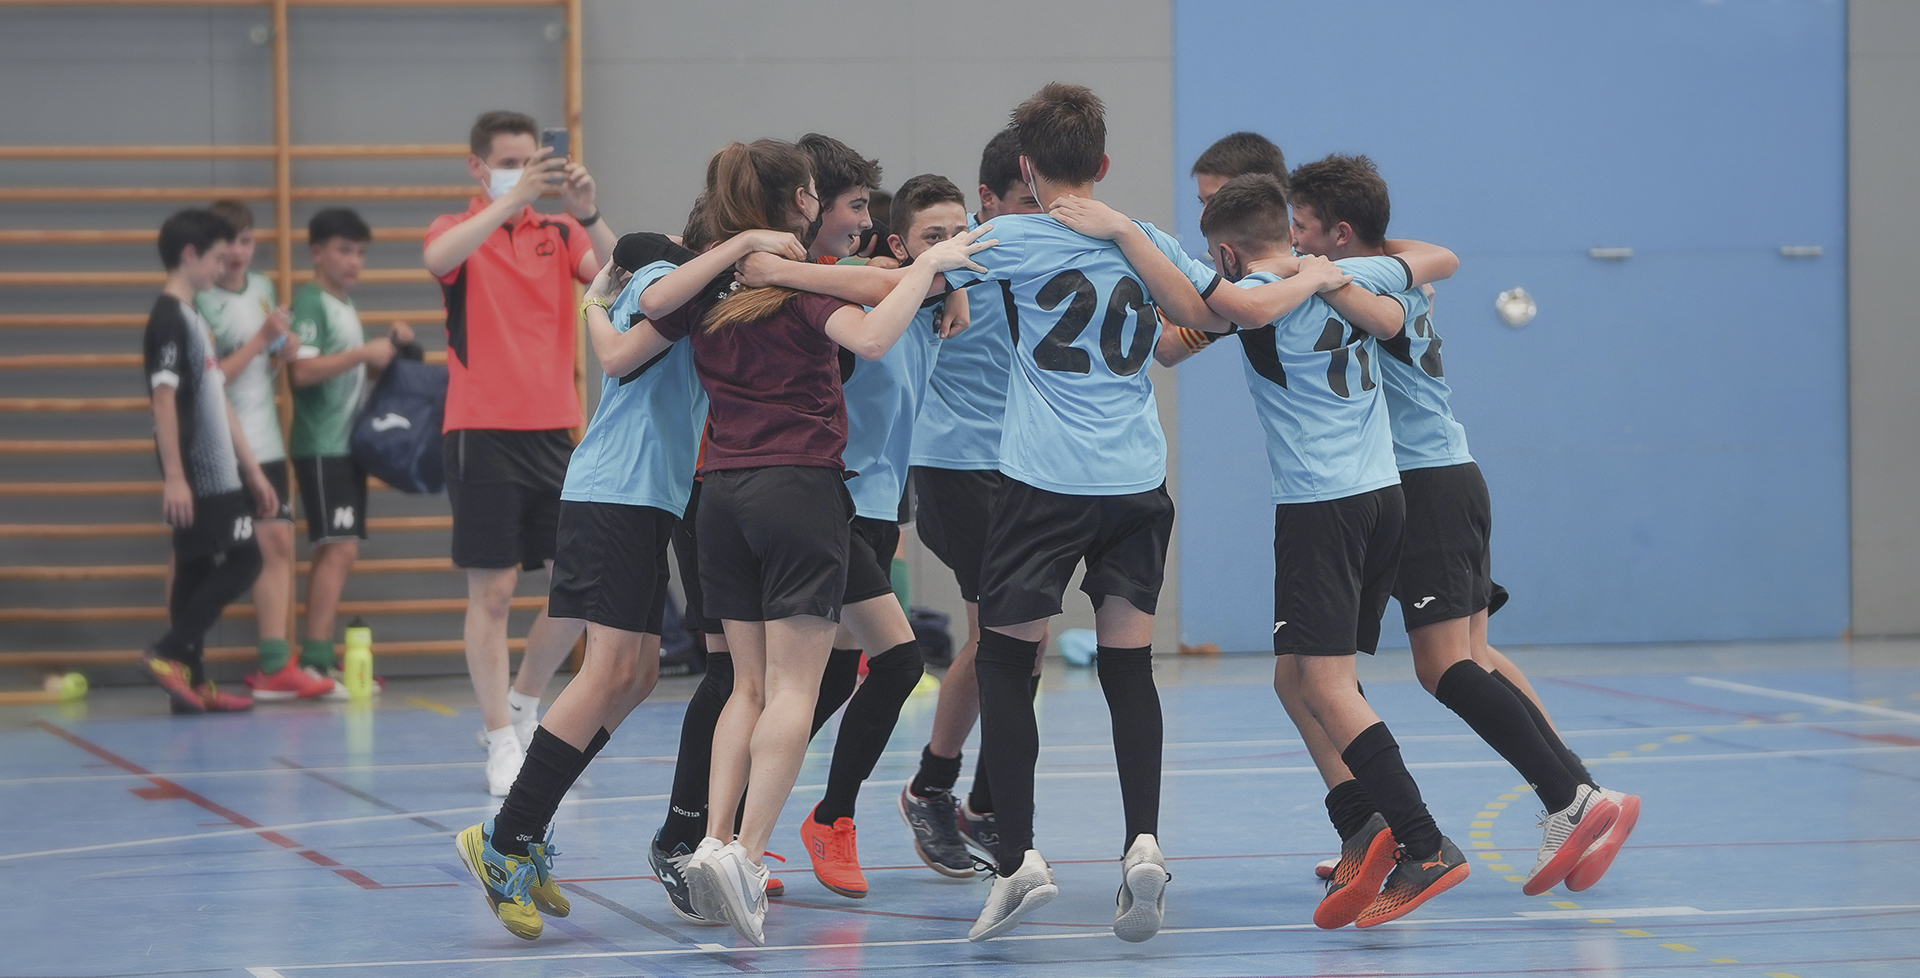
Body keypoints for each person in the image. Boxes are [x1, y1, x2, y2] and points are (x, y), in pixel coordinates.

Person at [634, 138, 990, 946]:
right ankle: (749, 854)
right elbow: (871, 335)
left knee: (746, 689)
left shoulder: (715, 291)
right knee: (795, 689)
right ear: (798, 202)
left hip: (718, 494)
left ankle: (715, 840)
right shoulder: (795, 298)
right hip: (797, 489)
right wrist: (936, 271)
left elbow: (657, 310)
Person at [1285, 154, 1639, 894]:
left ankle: (1571, 798)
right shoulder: (1392, 268)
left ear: (1341, 233)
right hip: (1453, 471)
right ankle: (1576, 794)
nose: (1295, 242)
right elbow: (1426, 256)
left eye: (1304, 228)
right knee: (1471, 656)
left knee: (1443, 666)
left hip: (1421, 483)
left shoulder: (1361, 282)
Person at [1151, 172, 1478, 928]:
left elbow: (1175, 336)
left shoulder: (1245, 301)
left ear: (1227, 253)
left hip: (1321, 506)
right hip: (1382, 495)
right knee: (1297, 677)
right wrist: (1324, 271)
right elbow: (1436, 262)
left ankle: (1425, 843)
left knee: (1326, 685)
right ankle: (1364, 826)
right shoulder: (1345, 274)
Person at [455, 234, 701, 940]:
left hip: (649, 500)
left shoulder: (656, 289)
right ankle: (502, 841)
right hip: (614, 496)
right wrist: (596, 296)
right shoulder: (660, 285)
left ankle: (523, 828)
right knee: (607, 672)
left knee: (641, 673)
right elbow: (621, 337)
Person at [746, 173, 973, 896]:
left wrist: (949, 278)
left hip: (880, 507)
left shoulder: (938, 294)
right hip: (826, 500)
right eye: (932, 237)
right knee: (900, 662)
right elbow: (837, 279)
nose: (949, 248)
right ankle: (824, 819)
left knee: (836, 675)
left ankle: (726, 829)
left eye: (957, 234)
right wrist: (923, 270)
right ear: (902, 245)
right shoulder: (857, 289)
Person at [423, 110, 614, 795]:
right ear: (478, 167)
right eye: (509, 161)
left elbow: (621, 283)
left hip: (556, 430)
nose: (524, 170)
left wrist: (588, 214)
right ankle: (500, 741)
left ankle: (524, 704)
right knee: (495, 591)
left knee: (579, 587)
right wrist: (513, 197)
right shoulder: (455, 231)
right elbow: (437, 260)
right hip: (480, 431)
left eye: (532, 160)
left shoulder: (558, 234)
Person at [896, 129, 1045, 879]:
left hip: (1026, 466)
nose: (1043, 215)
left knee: (1028, 640)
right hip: (955, 463)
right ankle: (937, 786)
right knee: (1001, 638)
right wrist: (940, 269)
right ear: (993, 199)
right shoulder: (945, 266)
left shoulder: (1040, 254)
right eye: (1027, 202)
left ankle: (978, 802)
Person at [141, 208, 279, 714]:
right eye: (218, 258)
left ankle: (191, 682)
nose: (224, 266)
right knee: (247, 558)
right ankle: (169, 652)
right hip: (200, 473)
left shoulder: (192, 317)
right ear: (189, 256)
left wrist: (253, 468)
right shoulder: (169, 319)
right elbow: (163, 398)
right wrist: (176, 477)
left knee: (198, 567)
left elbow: (216, 395)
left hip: (221, 468)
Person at [195, 200, 333, 700]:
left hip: (265, 438)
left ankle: (275, 663)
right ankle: (181, 660)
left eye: (246, 240)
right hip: (217, 443)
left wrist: (286, 345)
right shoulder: (201, 300)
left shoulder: (262, 289)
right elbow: (212, 380)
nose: (237, 252)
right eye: (228, 242)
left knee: (276, 542)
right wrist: (262, 338)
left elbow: (272, 353)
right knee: (197, 553)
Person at [287, 207, 413, 686]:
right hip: (322, 443)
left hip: (344, 446)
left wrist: (385, 351)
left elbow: (351, 370)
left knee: (337, 549)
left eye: (360, 253)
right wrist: (363, 353)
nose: (354, 261)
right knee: (338, 549)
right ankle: (315, 660)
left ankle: (318, 656)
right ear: (317, 252)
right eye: (344, 250)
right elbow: (301, 372)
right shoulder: (311, 301)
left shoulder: (343, 305)